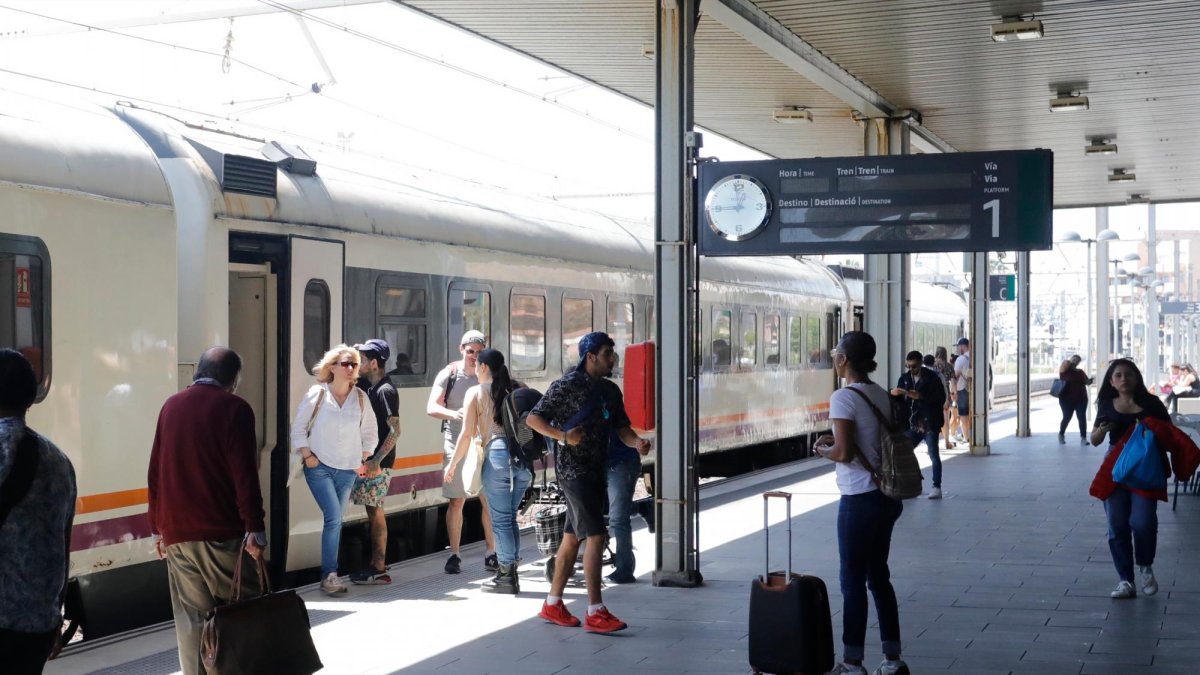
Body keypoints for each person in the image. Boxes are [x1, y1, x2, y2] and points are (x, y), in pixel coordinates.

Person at [147, 347, 265, 675]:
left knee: (192, 622)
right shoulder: (235, 409)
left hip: (176, 535)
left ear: (198, 371)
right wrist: (255, 526)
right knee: (245, 613)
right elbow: (245, 474)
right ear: (233, 380)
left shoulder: (170, 406)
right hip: (221, 533)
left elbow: (156, 470)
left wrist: (156, 527)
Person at [527, 331, 651, 633]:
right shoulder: (567, 386)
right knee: (596, 536)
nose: (614, 359)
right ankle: (596, 610)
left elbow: (622, 428)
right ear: (590, 356)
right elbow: (534, 418)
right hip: (574, 471)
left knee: (573, 537)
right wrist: (564, 437)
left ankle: (553, 603)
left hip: (597, 468)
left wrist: (636, 443)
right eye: (608, 353)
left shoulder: (610, 390)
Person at [811, 332, 908, 675]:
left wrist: (823, 450)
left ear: (843, 360)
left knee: (851, 582)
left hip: (858, 499)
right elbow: (865, 439)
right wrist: (835, 441)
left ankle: (852, 663)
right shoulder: (879, 393)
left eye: (836, 353)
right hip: (886, 497)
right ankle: (892, 659)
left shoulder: (843, 397)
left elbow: (845, 452)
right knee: (879, 578)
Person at [0, 349, 76, 675]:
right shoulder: (60, 463)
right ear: (30, 399)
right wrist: (56, 616)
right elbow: (63, 543)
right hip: (36, 627)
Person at [1088, 359, 1188, 599]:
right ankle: (1125, 580)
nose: (1124, 379)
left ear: (1137, 378)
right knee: (1117, 524)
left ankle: (1144, 565)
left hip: (1145, 468)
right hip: (1116, 469)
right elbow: (1095, 439)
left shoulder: (1152, 404)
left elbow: (1169, 434)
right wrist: (1102, 430)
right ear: (1111, 381)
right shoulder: (1106, 405)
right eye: (1118, 375)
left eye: (1129, 374)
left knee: (1143, 522)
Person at [291, 344, 378, 595]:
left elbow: (370, 431)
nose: (351, 368)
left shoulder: (360, 397)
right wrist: (307, 456)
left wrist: (362, 456)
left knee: (336, 520)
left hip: (348, 469)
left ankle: (329, 574)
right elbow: (298, 428)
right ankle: (330, 575)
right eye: (345, 364)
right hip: (320, 467)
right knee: (333, 517)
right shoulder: (317, 394)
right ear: (332, 367)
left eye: (354, 364)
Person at [443, 349, 532, 594]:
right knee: (510, 517)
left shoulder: (476, 392)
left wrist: (452, 465)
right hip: (523, 462)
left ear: (483, 367)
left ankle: (506, 576)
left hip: (497, 458)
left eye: (476, 365)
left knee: (501, 520)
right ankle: (510, 569)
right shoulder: (518, 386)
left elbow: (466, 435)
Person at [427, 330, 497, 574]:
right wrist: (453, 414)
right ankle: (454, 554)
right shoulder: (450, 374)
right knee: (456, 500)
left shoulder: (488, 373)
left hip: (483, 440)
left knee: (487, 499)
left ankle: (492, 552)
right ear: (461, 349)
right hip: (456, 436)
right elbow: (431, 406)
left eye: (479, 353)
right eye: (470, 352)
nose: (474, 357)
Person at [349, 339, 400, 585]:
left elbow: (395, 431)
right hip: (371, 461)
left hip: (379, 463)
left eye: (361, 360)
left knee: (375, 510)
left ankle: (378, 565)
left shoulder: (385, 391)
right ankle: (376, 564)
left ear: (374, 363)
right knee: (372, 509)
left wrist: (376, 461)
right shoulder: (368, 386)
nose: (357, 364)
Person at [890, 350, 946, 499]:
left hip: (929, 423)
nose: (911, 369)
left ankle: (936, 487)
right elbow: (900, 402)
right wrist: (894, 394)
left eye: (914, 366)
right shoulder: (905, 378)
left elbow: (940, 398)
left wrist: (920, 396)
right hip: (912, 424)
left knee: (934, 455)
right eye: (908, 366)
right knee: (902, 453)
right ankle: (908, 483)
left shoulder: (932, 378)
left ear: (921, 363)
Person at [1057, 354, 1091, 445]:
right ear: (1070, 359)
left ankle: (1083, 438)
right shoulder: (1064, 370)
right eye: (1074, 359)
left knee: (1082, 418)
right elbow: (1065, 364)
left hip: (1081, 398)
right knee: (1067, 417)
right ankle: (1061, 434)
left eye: (1078, 360)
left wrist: (1089, 381)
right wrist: (1069, 362)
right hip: (1066, 399)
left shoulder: (1080, 371)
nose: (1076, 361)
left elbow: (1086, 381)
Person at [933, 347, 956, 450]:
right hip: (945, 394)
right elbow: (953, 382)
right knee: (945, 418)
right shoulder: (949, 366)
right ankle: (947, 442)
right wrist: (953, 394)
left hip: (934, 394)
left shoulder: (933, 366)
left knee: (933, 419)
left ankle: (934, 443)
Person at [952, 337, 971, 442]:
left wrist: (953, 391)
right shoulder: (974, 357)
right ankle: (971, 434)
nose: (958, 349)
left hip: (962, 389)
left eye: (959, 346)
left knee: (963, 414)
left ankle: (966, 437)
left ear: (963, 346)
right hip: (972, 390)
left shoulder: (961, 359)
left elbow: (955, 376)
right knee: (971, 413)